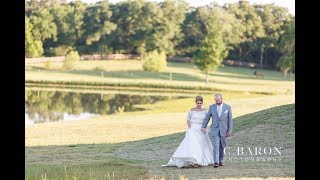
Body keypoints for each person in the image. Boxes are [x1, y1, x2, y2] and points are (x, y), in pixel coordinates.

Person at [162, 96, 214, 168]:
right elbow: (188, 119)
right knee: (194, 145)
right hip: (193, 129)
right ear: (195, 102)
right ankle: (195, 161)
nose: (199, 104)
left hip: (201, 129)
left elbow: (207, 119)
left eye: (200, 103)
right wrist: (190, 127)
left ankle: (204, 160)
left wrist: (204, 127)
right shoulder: (192, 110)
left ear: (202, 102)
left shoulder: (205, 110)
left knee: (203, 144)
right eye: (198, 103)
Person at [201, 93, 232, 168]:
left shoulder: (227, 107)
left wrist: (229, 130)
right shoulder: (212, 107)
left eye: (218, 100)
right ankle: (216, 162)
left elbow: (230, 120)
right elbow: (207, 117)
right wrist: (203, 126)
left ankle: (221, 161)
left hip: (224, 130)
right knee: (216, 146)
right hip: (214, 129)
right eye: (216, 101)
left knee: (222, 146)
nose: (217, 102)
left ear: (221, 99)